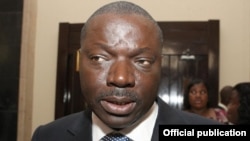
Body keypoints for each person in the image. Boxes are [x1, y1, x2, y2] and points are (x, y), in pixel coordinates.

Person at [31, 1, 220, 141]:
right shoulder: (47, 136)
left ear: (160, 66)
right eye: (99, 58)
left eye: (142, 61)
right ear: (81, 62)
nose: (121, 78)